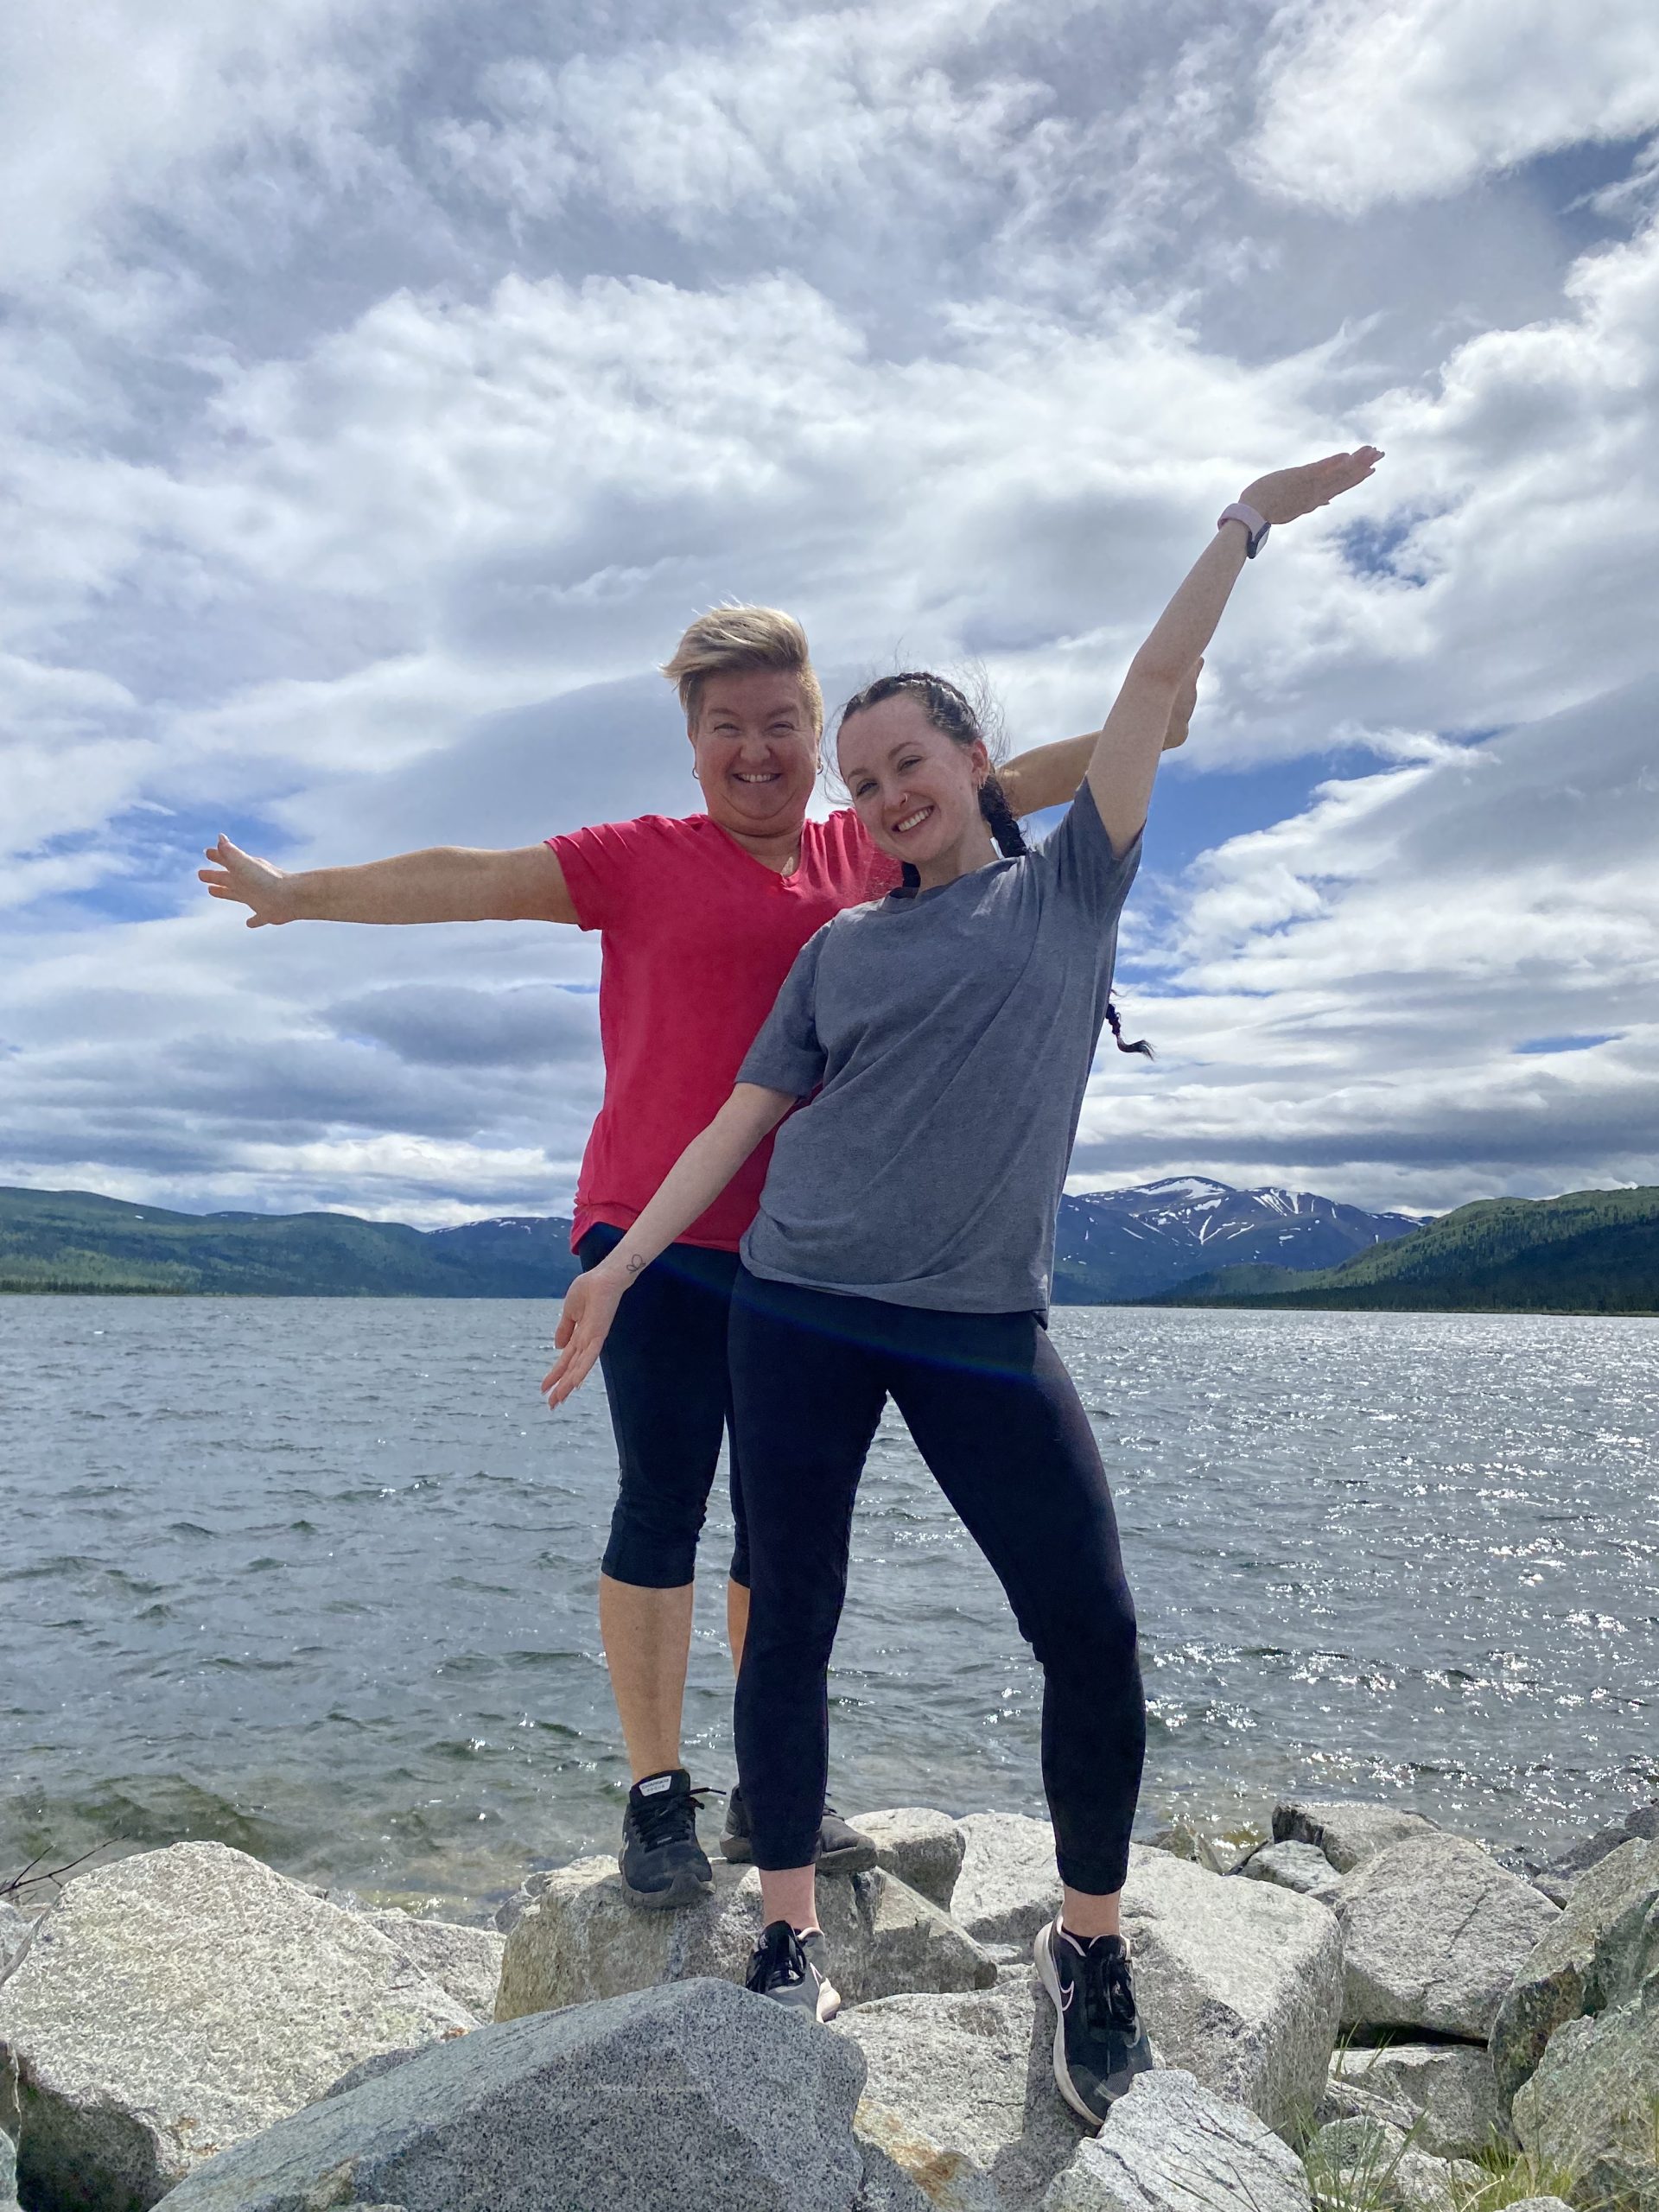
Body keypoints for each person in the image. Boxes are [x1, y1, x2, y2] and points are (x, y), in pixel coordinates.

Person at [542, 448, 1382, 2123]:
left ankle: (1088, 1938)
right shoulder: (838, 946)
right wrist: (627, 1259)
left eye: (906, 759)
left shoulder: (1072, 886)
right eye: (862, 773)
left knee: (1091, 1627)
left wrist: (1244, 525)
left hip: (987, 1326)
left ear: (974, 763)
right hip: (797, 1309)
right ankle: (784, 1921)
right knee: (792, 1613)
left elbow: (1155, 685)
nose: (882, 789)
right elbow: (738, 1118)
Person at [197, 607, 1176, 1906]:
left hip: (816, 1268)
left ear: (816, 736)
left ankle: (770, 1797)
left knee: (780, 1542)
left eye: (783, 725)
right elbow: (472, 877)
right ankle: (658, 1789)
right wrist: (297, 896)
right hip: (653, 1230)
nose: (759, 751)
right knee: (662, 1499)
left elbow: (1027, 776)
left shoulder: (859, 844)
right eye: (729, 729)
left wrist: (1160, 710)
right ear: (694, 744)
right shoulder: (638, 859)